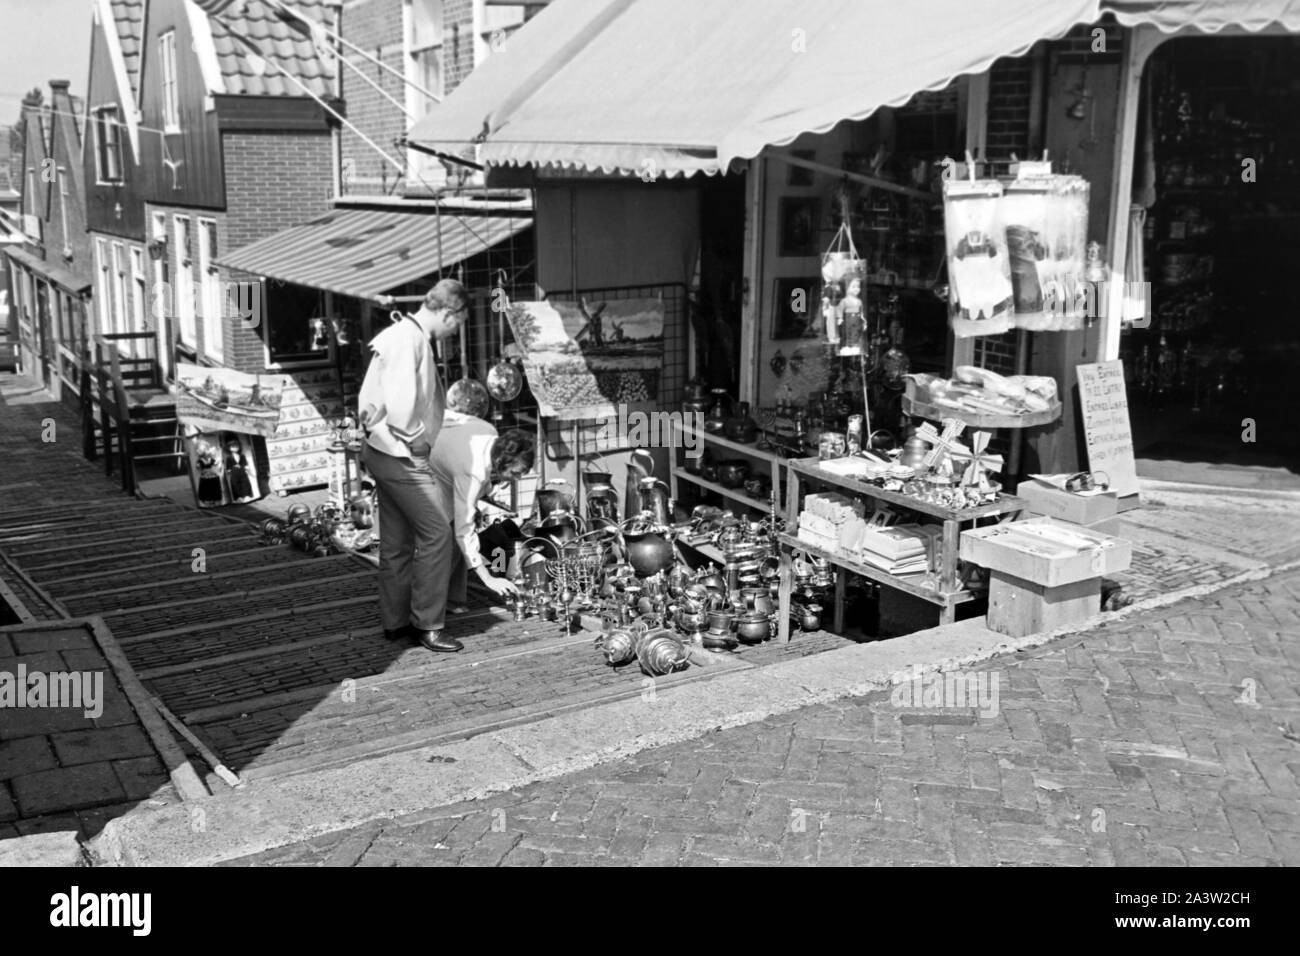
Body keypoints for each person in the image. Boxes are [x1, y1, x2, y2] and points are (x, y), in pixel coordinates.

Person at [357, 278, 469, 653]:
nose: (455, 331)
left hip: (381, 448)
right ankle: (428, 623)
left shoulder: (402, 333)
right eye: (458, 323)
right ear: (448, 312)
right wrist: (418, 439)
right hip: (401, 453)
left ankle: (396, 622)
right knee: (438, 534)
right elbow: (402, 408)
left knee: (397, 542)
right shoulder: (410, 339)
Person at [430, 412, 536, 612]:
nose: (517, 479)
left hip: (444, 469)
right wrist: (489, 579)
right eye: (515, 473)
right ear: (501, 460)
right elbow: (464, 530)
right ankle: (427, 608)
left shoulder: (489, 432)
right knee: (446, 541)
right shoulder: (473, 471)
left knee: (457, 539)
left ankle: (452, 601)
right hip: (424, 472)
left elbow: (449, 415)